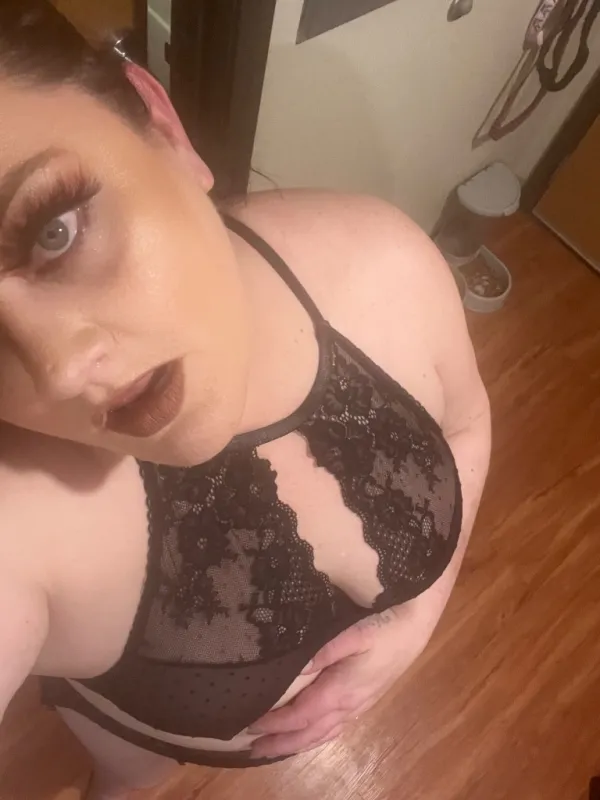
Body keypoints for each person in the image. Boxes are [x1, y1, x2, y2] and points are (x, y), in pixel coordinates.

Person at [0, 3, 491, 799]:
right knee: (130, 780)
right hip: (132, 736)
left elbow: (467, 422)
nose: (56, 372)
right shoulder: (20, 519)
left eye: (54, 229)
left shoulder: (386, 262)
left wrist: (417, 620)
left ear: (162, 124)